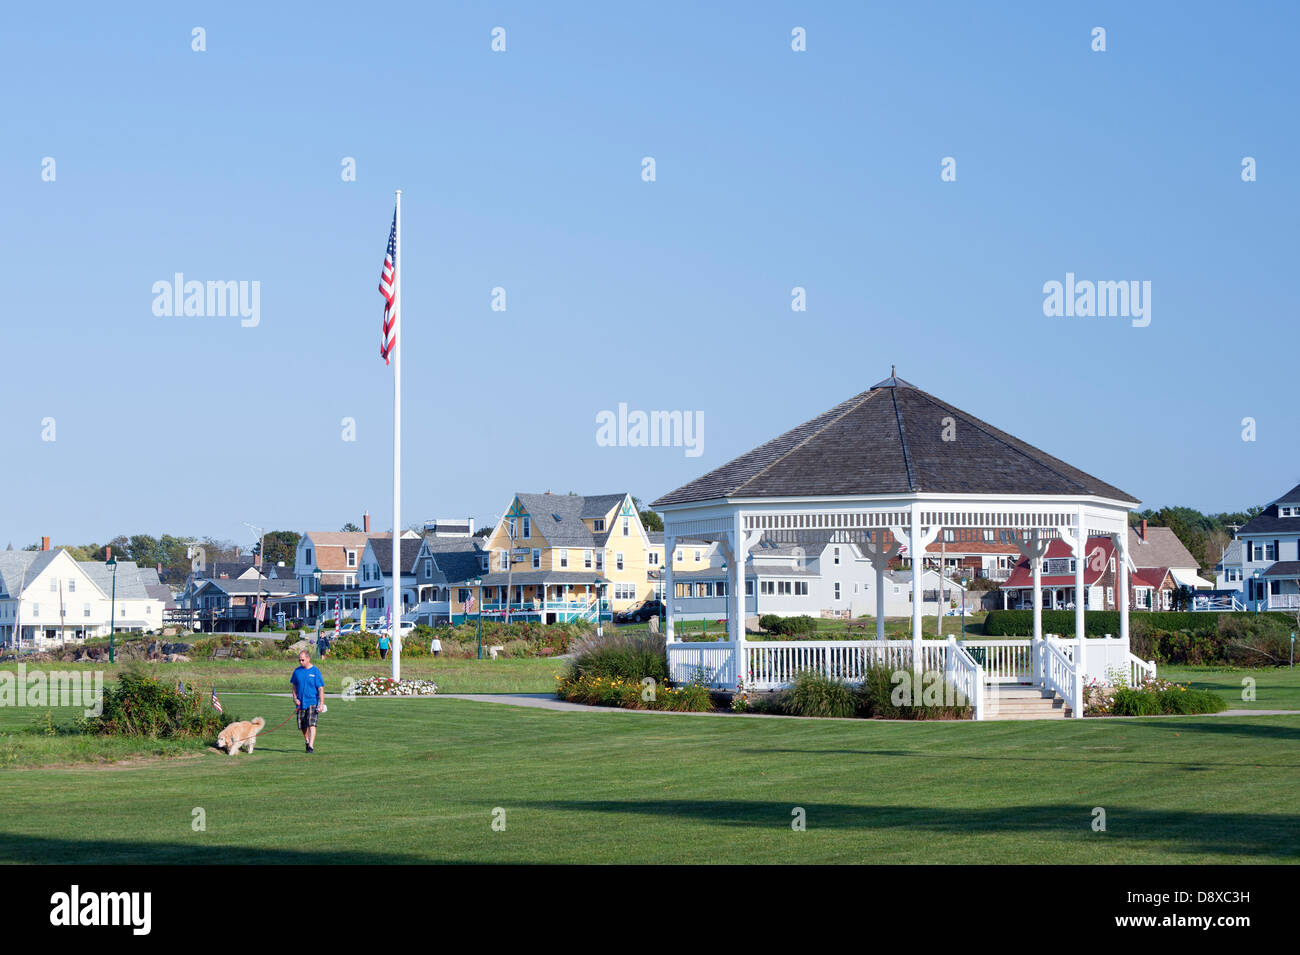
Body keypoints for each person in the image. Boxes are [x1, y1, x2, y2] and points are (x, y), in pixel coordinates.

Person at [290, 650, 325, 754]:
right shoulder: (297, 671)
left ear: (308, 659)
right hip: (301, 703)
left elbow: (320, 688)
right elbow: (294, 686)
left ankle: (311, 746)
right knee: (303, 726)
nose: (301, 662)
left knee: (311, 724)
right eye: (299, 660)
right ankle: (307, 741)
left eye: (303, 660)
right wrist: (295, 698)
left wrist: (321, 703)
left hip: (312, 702)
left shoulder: (315, 671)